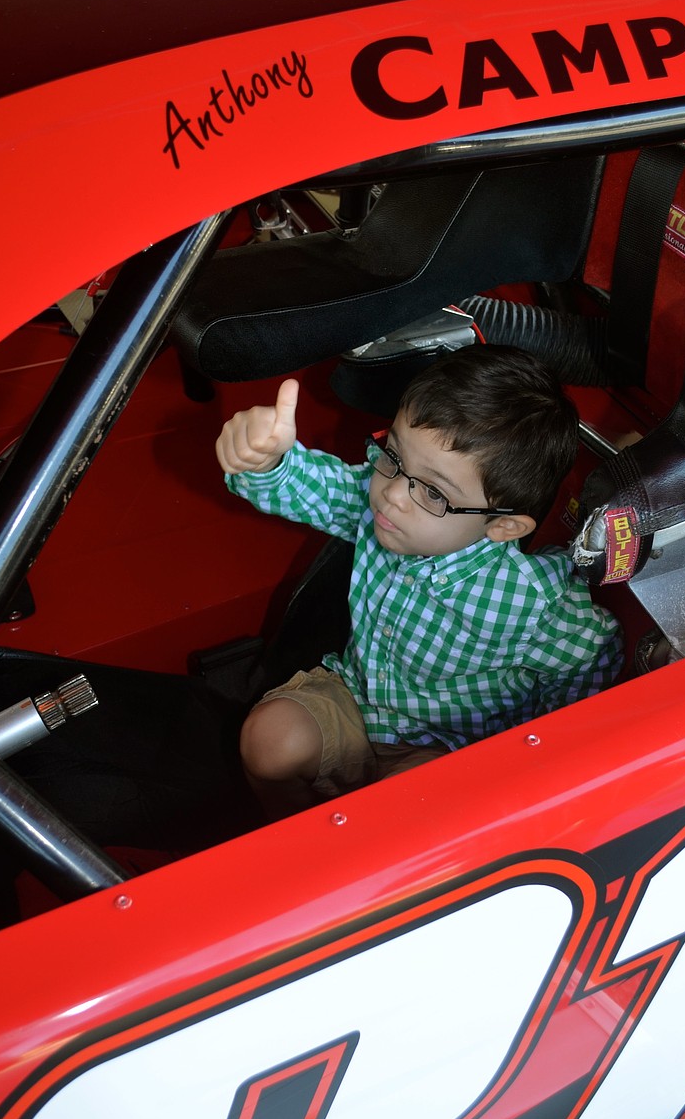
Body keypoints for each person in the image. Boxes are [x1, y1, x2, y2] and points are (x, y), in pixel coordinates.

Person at [216, 345, 622, 817]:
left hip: (448, 747)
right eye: (393, 455)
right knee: (268, 740)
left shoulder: (531, 601)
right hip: (357, 699)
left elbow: (592, 656)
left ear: (503, 526)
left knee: (407, 801)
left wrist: (540, 755)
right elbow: (315, 489)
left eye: (433, 491)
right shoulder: (387, 511)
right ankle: (294, 836)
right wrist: (265, 461)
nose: (391, 494)